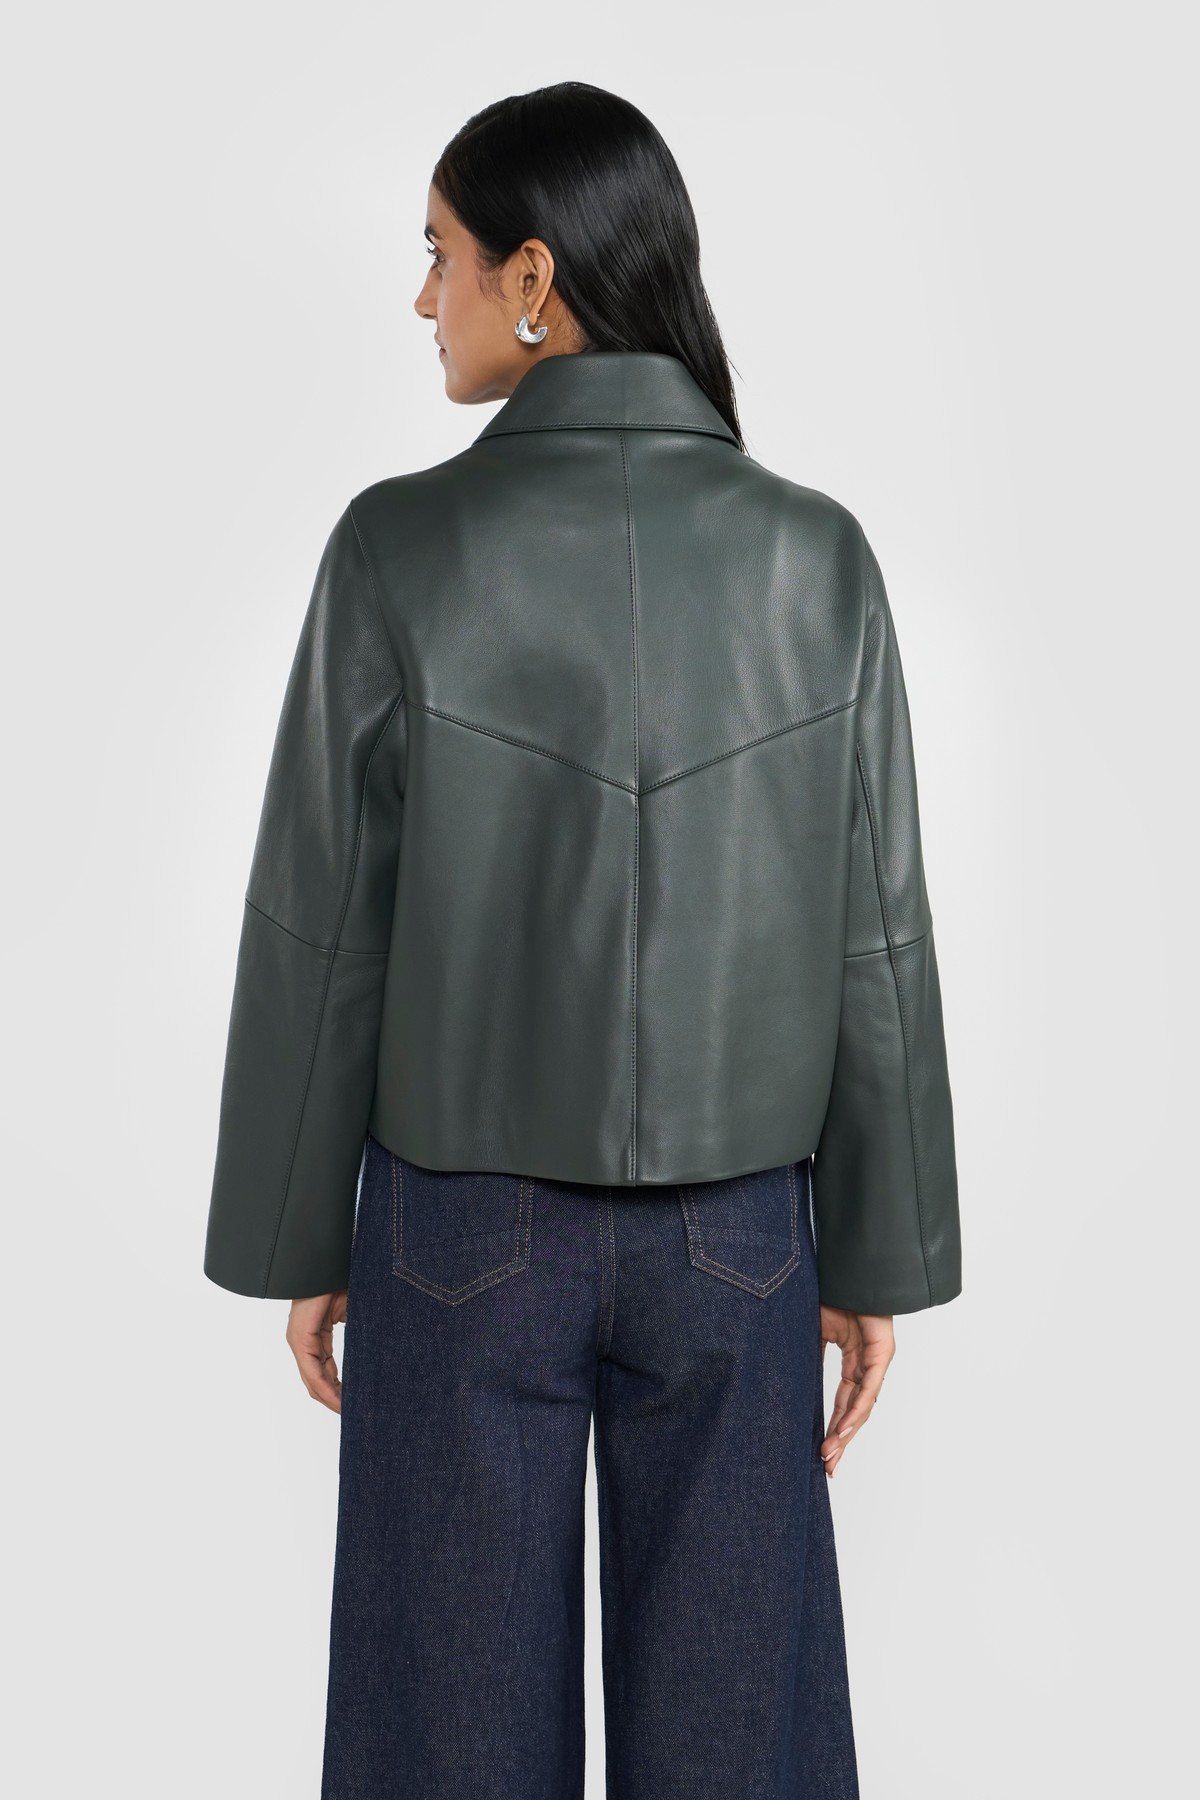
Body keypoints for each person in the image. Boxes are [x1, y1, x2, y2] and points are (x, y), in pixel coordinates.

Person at [204, 80, 961, 1800]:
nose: (425, 297)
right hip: (740, 1237)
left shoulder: (398, 547)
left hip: (458, 1232)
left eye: (441, 255)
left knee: (445, 1742)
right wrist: (878, 1252)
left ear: (533, 277)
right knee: (742, 1746)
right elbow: (880, 930)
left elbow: (321, 923)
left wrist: (296, 1224)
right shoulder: (816, 557)